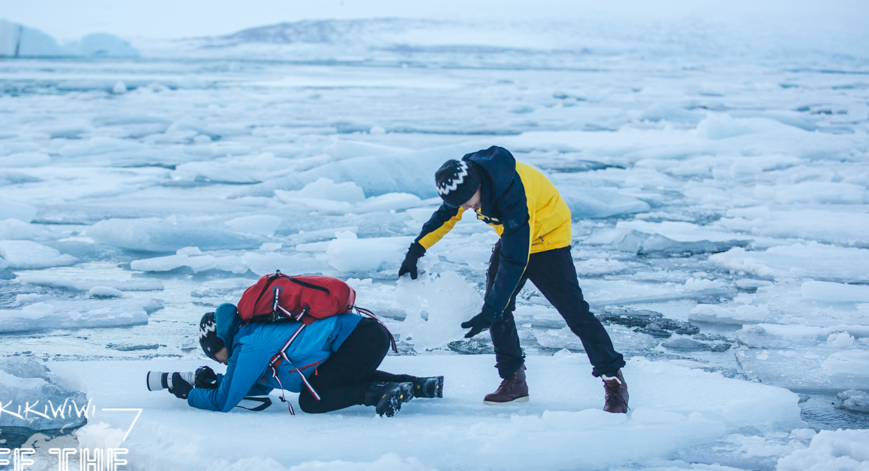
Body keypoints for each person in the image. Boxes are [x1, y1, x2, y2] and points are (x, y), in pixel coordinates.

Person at [398, 145, 629, 413]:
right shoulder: (466, 180)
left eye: (467, 202)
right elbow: (445, 215)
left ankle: (614, 382)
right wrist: (416, 250)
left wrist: (491, 310)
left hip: (548, 238)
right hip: (513, 236)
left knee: (574, 312)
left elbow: (515, 260)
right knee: (498, 306)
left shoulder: (510, 192)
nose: (464, 208)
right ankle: (514, 380)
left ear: (479, 186)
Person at [162, 303, 443, 417]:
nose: (219, 362)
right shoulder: (252, 341)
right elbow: (252, 387)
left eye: (214, 355)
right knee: (329, 380)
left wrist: (191, 394)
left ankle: (382, 393)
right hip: (366, 335)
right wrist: (214, 384)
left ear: (220, 343)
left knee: (311, 399)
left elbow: (225, 402)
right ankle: (420, 385)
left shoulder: (248, 345)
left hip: (361, 338)